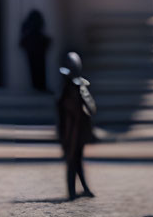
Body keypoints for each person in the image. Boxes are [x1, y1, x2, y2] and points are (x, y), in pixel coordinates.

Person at [56, 51, 96, 200]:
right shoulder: (65, 90)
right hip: (69, 130)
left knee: (75, 160)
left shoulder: (80, 88)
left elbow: (91, 108)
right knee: (72, 161)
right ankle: (73, 191)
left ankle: (82, 189)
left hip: (77, 130)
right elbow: (61, 110)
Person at [20, 10, 52, 93]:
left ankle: (39, 86)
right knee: (36, 69)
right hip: (33, 49)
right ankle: (38, 86)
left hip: (37, 49)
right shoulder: (28, 27)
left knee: (39, 69)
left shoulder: (30, 27)